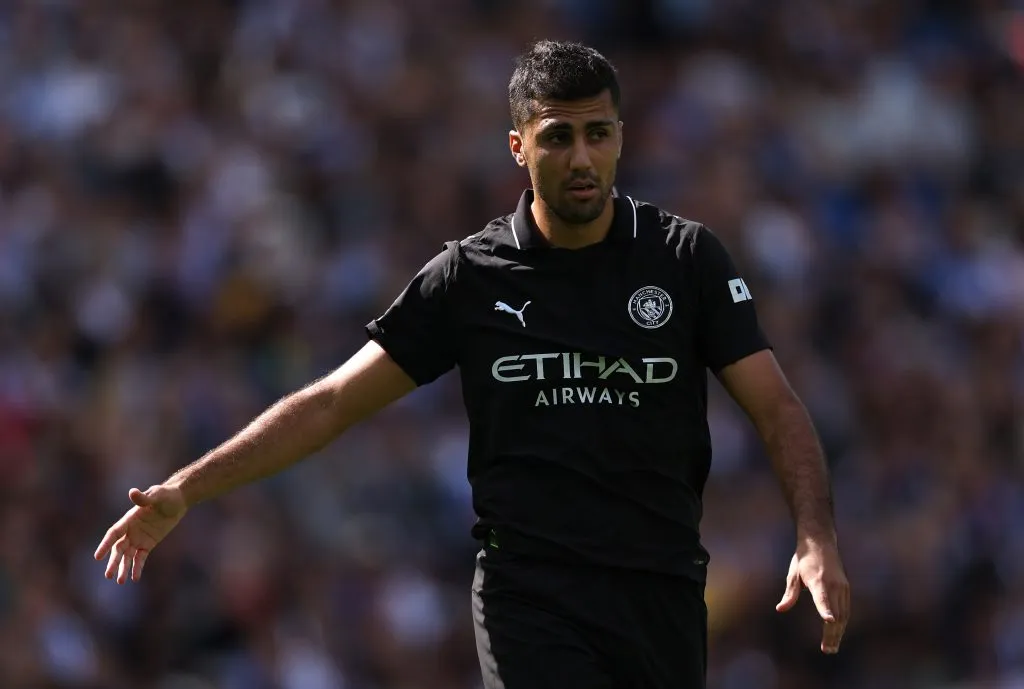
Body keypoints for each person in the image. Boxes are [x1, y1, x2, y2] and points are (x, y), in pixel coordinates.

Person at [95, 40, 850, 689]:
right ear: (518, 146)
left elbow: (776, 407)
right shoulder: (470, 277)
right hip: (531, 594)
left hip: (663, 590)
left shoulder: (686, 260)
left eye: (597, 133)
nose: (581, 157)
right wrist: (188, 488)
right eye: (558, 137)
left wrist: (814, 535)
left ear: (621, 137)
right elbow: (330, 402)